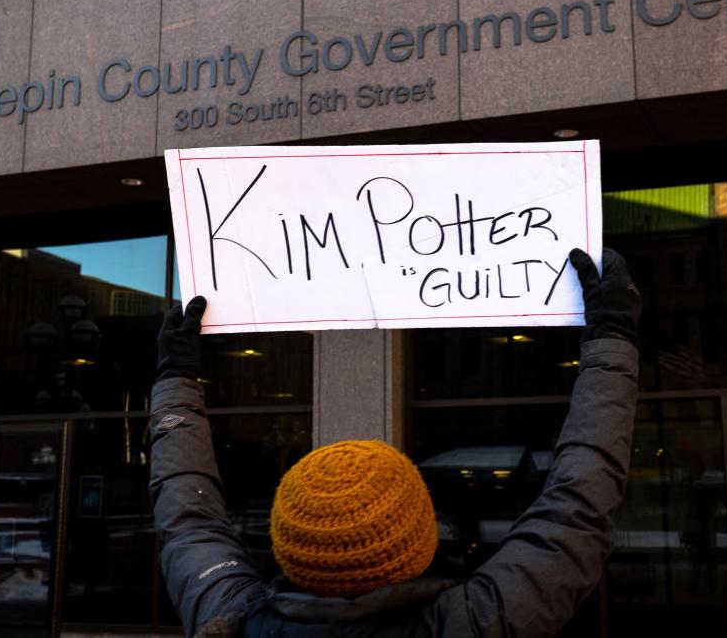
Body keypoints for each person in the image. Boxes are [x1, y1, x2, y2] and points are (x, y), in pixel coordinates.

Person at [149, 248, 641, 637]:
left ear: (285, 540)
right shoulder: (475, 622)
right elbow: (579, 500)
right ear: (421, 534)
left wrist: (175, 377)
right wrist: (611, 337)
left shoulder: (231, 618)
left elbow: (185, 513)